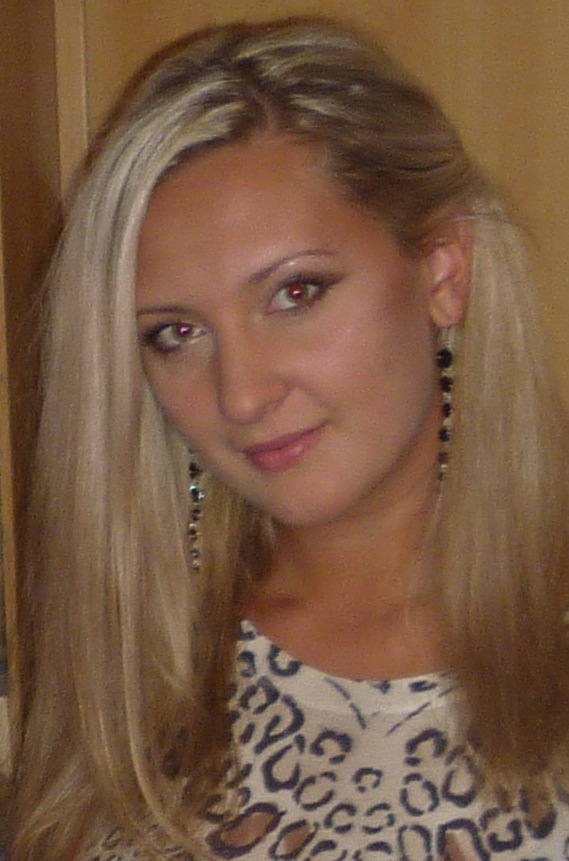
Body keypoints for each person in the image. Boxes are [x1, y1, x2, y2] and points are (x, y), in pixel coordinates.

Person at [11, 16, 569, 861]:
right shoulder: (131, 669)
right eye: (175, 333)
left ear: (441, 268)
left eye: (295, 292)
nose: (242, 394)